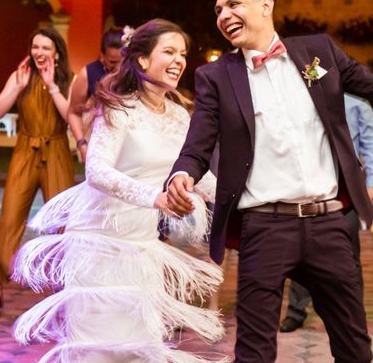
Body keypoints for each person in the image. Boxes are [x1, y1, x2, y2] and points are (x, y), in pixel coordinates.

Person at [166, 0, 373, 363]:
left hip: (328, 222)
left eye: (233, 4)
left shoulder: (319, 52)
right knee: (254, 352)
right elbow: (197, 145)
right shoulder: (216, 76)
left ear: (266, 5)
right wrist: (182, 175)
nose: (223, 15)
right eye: (218, 10)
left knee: (354, 348)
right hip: (264, 226)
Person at [11, 19, 225, 363]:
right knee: (101, 346)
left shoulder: (179, 114)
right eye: (168, 51)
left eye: (182, 53)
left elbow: (195, 174)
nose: (179, 60)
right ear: (142, 60)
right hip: (101, 241)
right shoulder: (119, 108)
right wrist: (154, 197)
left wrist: (240, 199)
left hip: (141, 244)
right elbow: (96, 171)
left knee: (138, 342)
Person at [0, 27, 74, 320]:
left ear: (57, 53)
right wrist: (17, 87)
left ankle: (62, 291)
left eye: (45, 47)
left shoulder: (67, 80)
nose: (39, 52)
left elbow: (72, 119)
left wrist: (53, 86)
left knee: (61, 226)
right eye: (35, 46)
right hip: (25, 151)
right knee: (8, 220)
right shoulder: (21, 76)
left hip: (57, 152)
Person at [279, 93, 373, 333]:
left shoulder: (358, 104)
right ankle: (296, 311)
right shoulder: (301, 95)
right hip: (306, 188)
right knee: (300, 250)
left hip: (345, 190)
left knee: (349, 256)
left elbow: (370, 145)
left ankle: (353, 314)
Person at [67, 26, 129, 161]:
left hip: (129, 145)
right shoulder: (88, 73)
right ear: (102, 55)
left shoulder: (135, 75)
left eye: (122, 61)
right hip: (100, 145)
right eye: (112, 62)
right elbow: (73, 112)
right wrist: (81, 144)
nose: (118, 67)